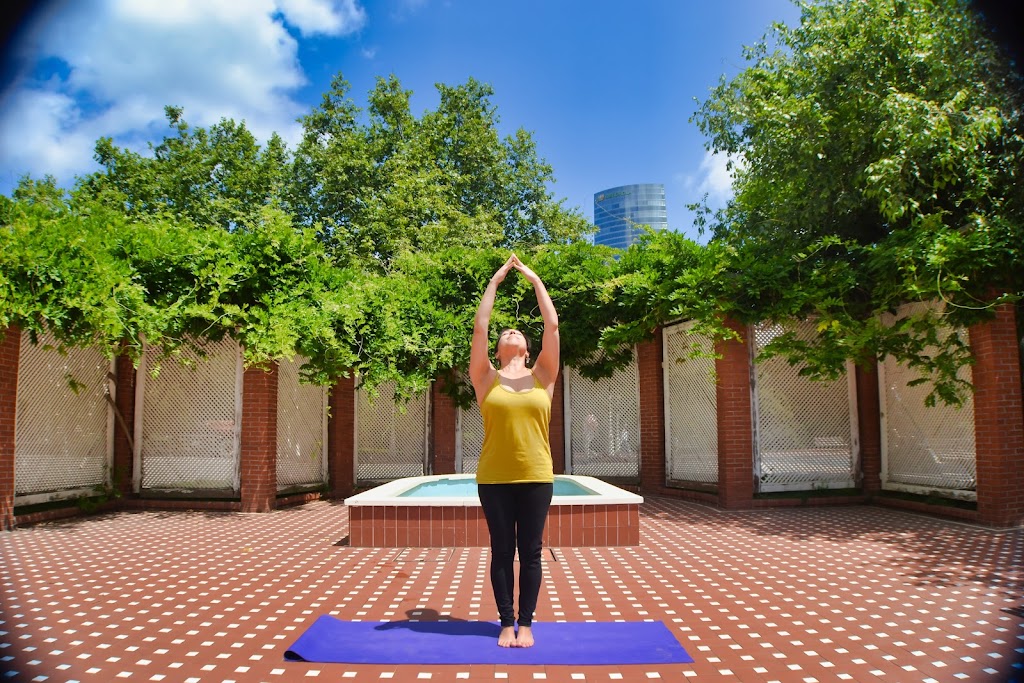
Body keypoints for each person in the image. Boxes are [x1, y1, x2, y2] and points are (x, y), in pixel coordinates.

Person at [469, 253, 559, 648]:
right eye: (506, 334)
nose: (510, 333)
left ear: (526, 348)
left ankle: (528, 622)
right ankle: (507, 622)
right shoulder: (486, 378)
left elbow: (552, 325)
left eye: (516, 333)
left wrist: (535, 279)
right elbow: (480, 326)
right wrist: (495, 281)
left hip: (537, 476)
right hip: (494, 478)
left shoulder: (543, 375)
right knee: (502, 551)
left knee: (532, 553)